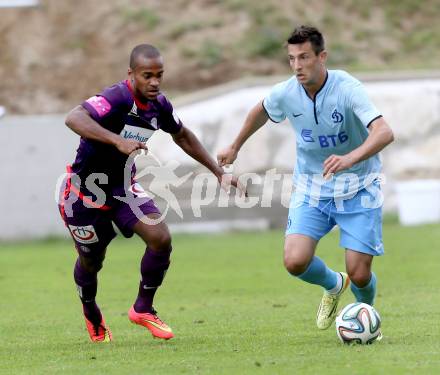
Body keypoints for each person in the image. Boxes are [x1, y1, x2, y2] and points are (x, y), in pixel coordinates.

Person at [58, 44, 241, 342]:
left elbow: (181, 135)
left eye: (159, 75)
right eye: (147, 76)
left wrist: (218, 171)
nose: (155, 82)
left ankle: (143, 308)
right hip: (85, 193)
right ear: (131, 74)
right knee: (92, 261)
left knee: (160, 238)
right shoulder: (117, 97)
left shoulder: (159, 105)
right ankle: (90, 310)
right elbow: (73, 118)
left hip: (122, 189)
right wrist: (116, 140)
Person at [217, 26, 394, 333]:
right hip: (312, 188)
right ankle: (334, 284)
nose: (297, 65)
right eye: (291, 59)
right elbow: (260, 110)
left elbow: (384, 132)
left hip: (359, 187)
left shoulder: (347, 88)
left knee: (361, 273)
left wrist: (350, 158)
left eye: (304, 57)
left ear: (321, 56)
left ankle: (366, 317)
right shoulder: (286, 92)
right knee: (295, 261)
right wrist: (235, 145)